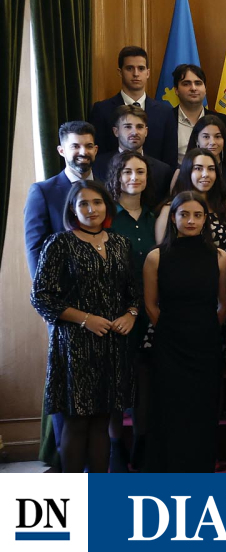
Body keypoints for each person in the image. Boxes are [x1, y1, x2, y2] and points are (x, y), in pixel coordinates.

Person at [30, 181, 138, 473]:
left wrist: (131, 313)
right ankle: (74, 499)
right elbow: (41, 297)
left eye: (97, 202)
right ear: (73, 210)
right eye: (83, 204)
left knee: (103, 421)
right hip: (75, 344)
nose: (91, 209)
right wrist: (86, 318)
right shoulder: (59, 244)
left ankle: (99, 497)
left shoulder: (120, 244)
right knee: (77, 422)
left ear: (107, 206)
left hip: (112, 344)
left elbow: (133, 292)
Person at [143, 192, 226, 473]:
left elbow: (224, 304)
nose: (191, 221)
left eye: (197, 215)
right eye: (184, 215)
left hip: (206, 342)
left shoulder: (219, 257)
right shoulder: (156, 257)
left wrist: (205, 329)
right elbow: (150, 304)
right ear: (173, 218)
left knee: (202, 408)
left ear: (206, 220)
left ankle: (200, 467)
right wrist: (171, 330)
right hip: (169, 343)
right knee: (170, 408)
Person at [103, 151, 159, 471]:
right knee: (115, 381)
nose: (134, 177)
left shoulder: (155, 217)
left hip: (149, 310)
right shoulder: (107, 216)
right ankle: (114, 447)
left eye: (140, 171)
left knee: (144, 381)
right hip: (116, 312)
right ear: (117, 176)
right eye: (127, 172)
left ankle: (141, 443)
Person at [26, 121, 99, 280]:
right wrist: (44, 295)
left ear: (95, 150)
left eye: (88, 146)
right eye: (75, 146)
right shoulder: (42, 192)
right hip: (63, 289)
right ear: (61, 151)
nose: (83, 152)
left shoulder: (107, 188)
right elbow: (35, 248)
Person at [88, 45, 175, 166]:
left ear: (148, 73)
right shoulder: (102, 110)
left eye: (141, 68)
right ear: (120, 72)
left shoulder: (165, 112)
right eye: (129, 68)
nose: (136, 74)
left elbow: (169, 157)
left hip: (156, 181)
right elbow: (98, 153)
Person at [154, 148, 226, 251]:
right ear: (187, 171)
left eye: (211, 169)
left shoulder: (224, 208)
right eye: (198, 168)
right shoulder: (170, 208)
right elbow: (162, 252)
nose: (205, 174)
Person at [93, 105, 172, 205]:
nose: (134, 132)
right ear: (116, 131)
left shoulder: (163, 170)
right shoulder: (98, 166)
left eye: (139, 127)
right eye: (128, 127)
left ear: (146, 131)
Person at [170, 64, 226, 166]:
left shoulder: (225, 122)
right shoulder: (165, 120)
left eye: (198, 83)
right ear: (176, 90)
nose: (193, 88)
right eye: (186, 84)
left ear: (205, 89)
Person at [179, 115, 226, 204]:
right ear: (196, 140)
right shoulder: (181, 172)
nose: (212, 142)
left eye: (217, 137)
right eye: (206, 137)